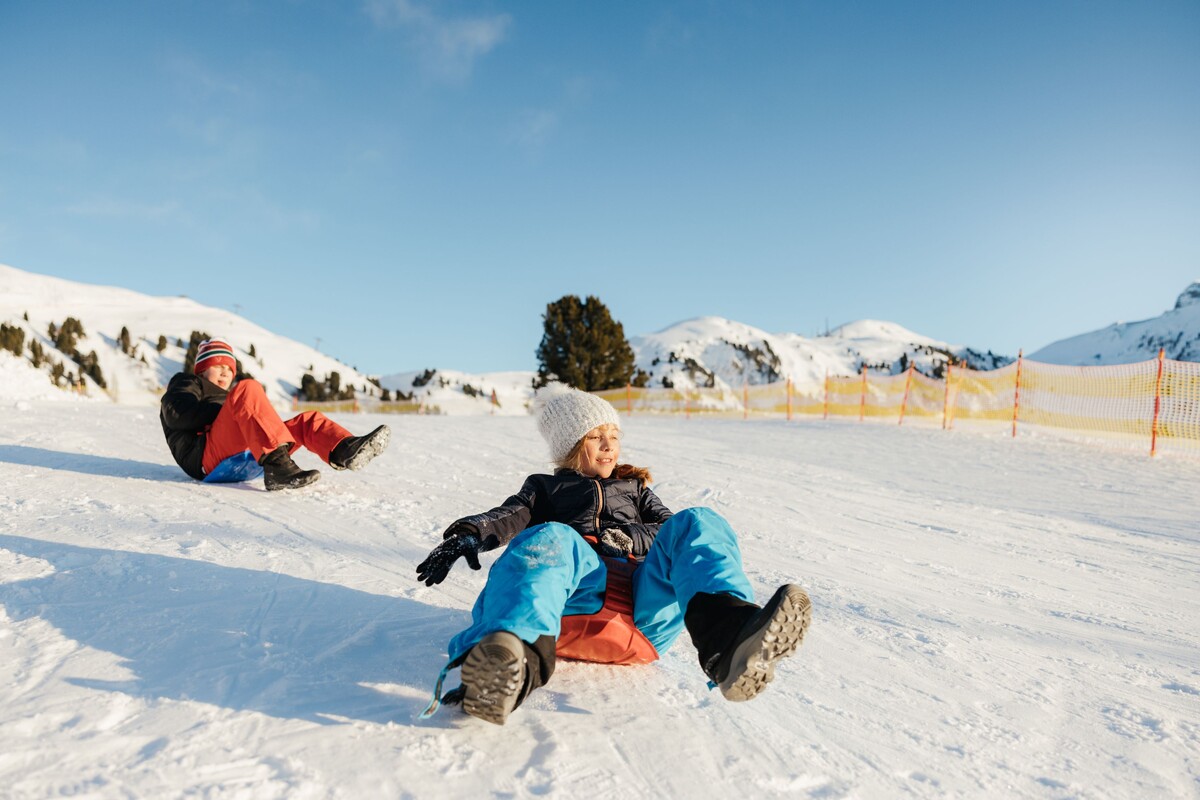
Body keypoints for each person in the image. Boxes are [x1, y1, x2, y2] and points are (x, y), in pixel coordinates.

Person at [416, 383, 811, 725]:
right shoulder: (544, 488)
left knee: (697, 522)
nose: (609, 446)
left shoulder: (635, 489)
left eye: (614, 435)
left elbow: (668, 529)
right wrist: (469, 533)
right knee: (550, 538)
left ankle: (727, 637)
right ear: (571, 446)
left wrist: (626, 539)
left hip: (644, 613)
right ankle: (513, 659)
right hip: (570, 604)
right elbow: (508, 517)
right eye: (595, 436)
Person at [160, 338, 390, 490]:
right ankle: (278, 466)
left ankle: (345, 450)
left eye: (229, 369)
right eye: (217, 366)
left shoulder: (230, 397)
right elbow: (175, 413)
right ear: (202, 369)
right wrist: (229, 412)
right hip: (205, 459)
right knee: (248, 388)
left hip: (242, 458)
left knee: (305, 421)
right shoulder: (188, 382)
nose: (225, 372)